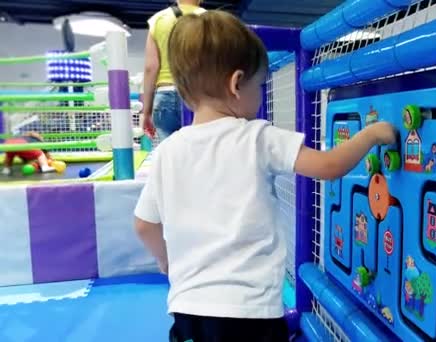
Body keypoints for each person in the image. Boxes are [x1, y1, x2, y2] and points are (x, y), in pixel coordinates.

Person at [133, 11, 397, 342]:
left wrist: (166, 260)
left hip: (188, 312)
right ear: (236, 84)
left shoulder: (167, 152)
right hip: (249, 313)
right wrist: (371, 135)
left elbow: (144, 225)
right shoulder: (257, 137)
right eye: (260, 85)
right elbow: (329, 167)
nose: (260, 95)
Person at [142, 0, 206, 141]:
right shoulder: (210, 19)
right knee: (199, 153)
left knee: (169, 156)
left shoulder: (159, 19)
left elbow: (150, 68)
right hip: (198, 96)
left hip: (165, 94)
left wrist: (146, 112)